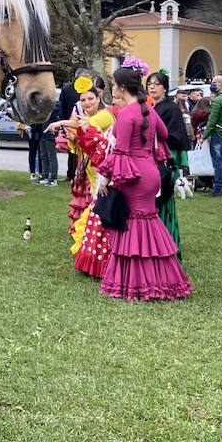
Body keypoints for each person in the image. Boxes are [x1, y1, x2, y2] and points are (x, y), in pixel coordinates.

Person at [92, 67, 192, 301]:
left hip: (134, 175)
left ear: (122, 87)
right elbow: (165, 134)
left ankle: (137, 283)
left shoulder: (128, 113)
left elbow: (121, 150)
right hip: (151, 172)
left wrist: (105, 178)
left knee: (134, 226)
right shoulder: (149, 109)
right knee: (149, 223)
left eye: (114, 84)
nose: (113, 88)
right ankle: (162, 280)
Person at [48, 78, 115, 278]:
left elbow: (86, 126)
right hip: (91, 171)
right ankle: (92, 253)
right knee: (92, 212)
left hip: (104, 172)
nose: (86, 103)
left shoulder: (105, 116)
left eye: (90, 99)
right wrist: (74, 139)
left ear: (99, 98)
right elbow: (83, 135)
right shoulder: (88, 117)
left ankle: (99, 256)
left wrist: (60, 122)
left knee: (96, 214)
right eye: (83, 100)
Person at [147, 71, 190, 252]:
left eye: (157, 84)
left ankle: (166, 246)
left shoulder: (170, 108)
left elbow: (174, 137)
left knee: (162, 203)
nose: (152, 87)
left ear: (165, 88)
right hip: (152, 161)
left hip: (164, 162)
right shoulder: (152, 107)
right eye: (150, 83)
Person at [198, 75, 222, 196]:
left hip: (218, 133)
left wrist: (204, 136)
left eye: (214, 82)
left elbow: (212, 120)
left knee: (217, 163)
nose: (212, 84)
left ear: (220, 84)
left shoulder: (218, 100)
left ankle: (218, 188)